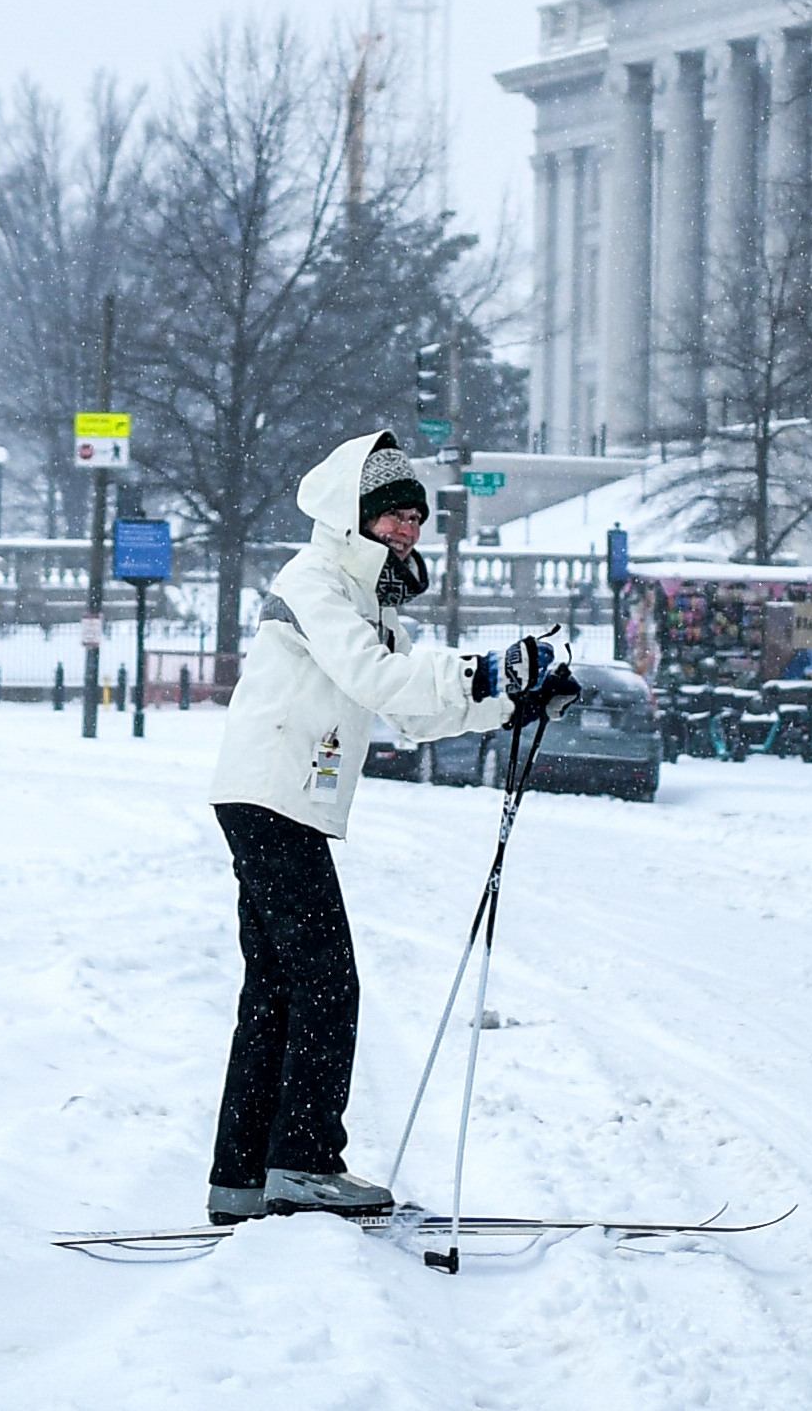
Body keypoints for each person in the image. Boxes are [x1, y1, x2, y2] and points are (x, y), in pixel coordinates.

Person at [203, 431, 577, 1225]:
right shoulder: (314, 582)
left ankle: (242, 1175)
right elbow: (371, 676)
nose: (408, 528)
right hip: (272, 794)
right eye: (392, 514)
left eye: (415, 515)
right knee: (327, 981)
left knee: (275, 988)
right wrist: (486, 669)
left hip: (275, 797)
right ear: (352, 514)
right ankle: (302, 1163)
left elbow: (409, 705)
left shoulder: (372, 606)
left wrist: (511, 699)